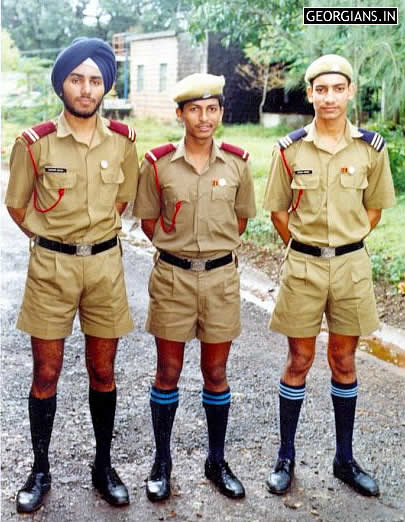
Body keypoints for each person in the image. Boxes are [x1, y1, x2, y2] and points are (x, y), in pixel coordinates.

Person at [5, 38, 139, 513]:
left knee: (103, 371)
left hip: (104, 266)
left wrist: (92, 236)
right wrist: (52, 240)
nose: (86, 89)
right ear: (62, 84)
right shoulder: (34, 142)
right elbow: (17, 205)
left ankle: (103, 467)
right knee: (46, 373)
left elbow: (122, 200)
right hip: (51, 268)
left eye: (95, 80)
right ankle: (39, 469)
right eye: (77, 79)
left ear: (106, 87)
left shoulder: (124, 141)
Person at [263, 54, 396, 497]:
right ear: (311, 94)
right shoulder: (290, 150)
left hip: (351, 266)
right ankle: (285, 457)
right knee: (298, 360)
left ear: (350, 92)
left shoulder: (370, 150)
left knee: (343, 360)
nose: (330, 97)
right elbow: (279, 212)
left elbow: (373, 211)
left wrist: (342, 241)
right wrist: (306, 245)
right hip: (303, 265)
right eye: (321, 89)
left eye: (338, 89)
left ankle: (344, 459)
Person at [133, 73, 256, 502]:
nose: (204, 118)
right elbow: (149, 220)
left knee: (216, 373)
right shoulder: (158, 163)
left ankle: (216, 460)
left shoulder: (238, 163)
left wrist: (211, 253)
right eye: (195, 110)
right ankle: (161, 462)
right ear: (181, 114)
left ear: (221, 112)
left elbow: (240, 220)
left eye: (212, 109)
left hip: (221, 279)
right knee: (168, 372)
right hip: (172, 278)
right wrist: (179, 251)